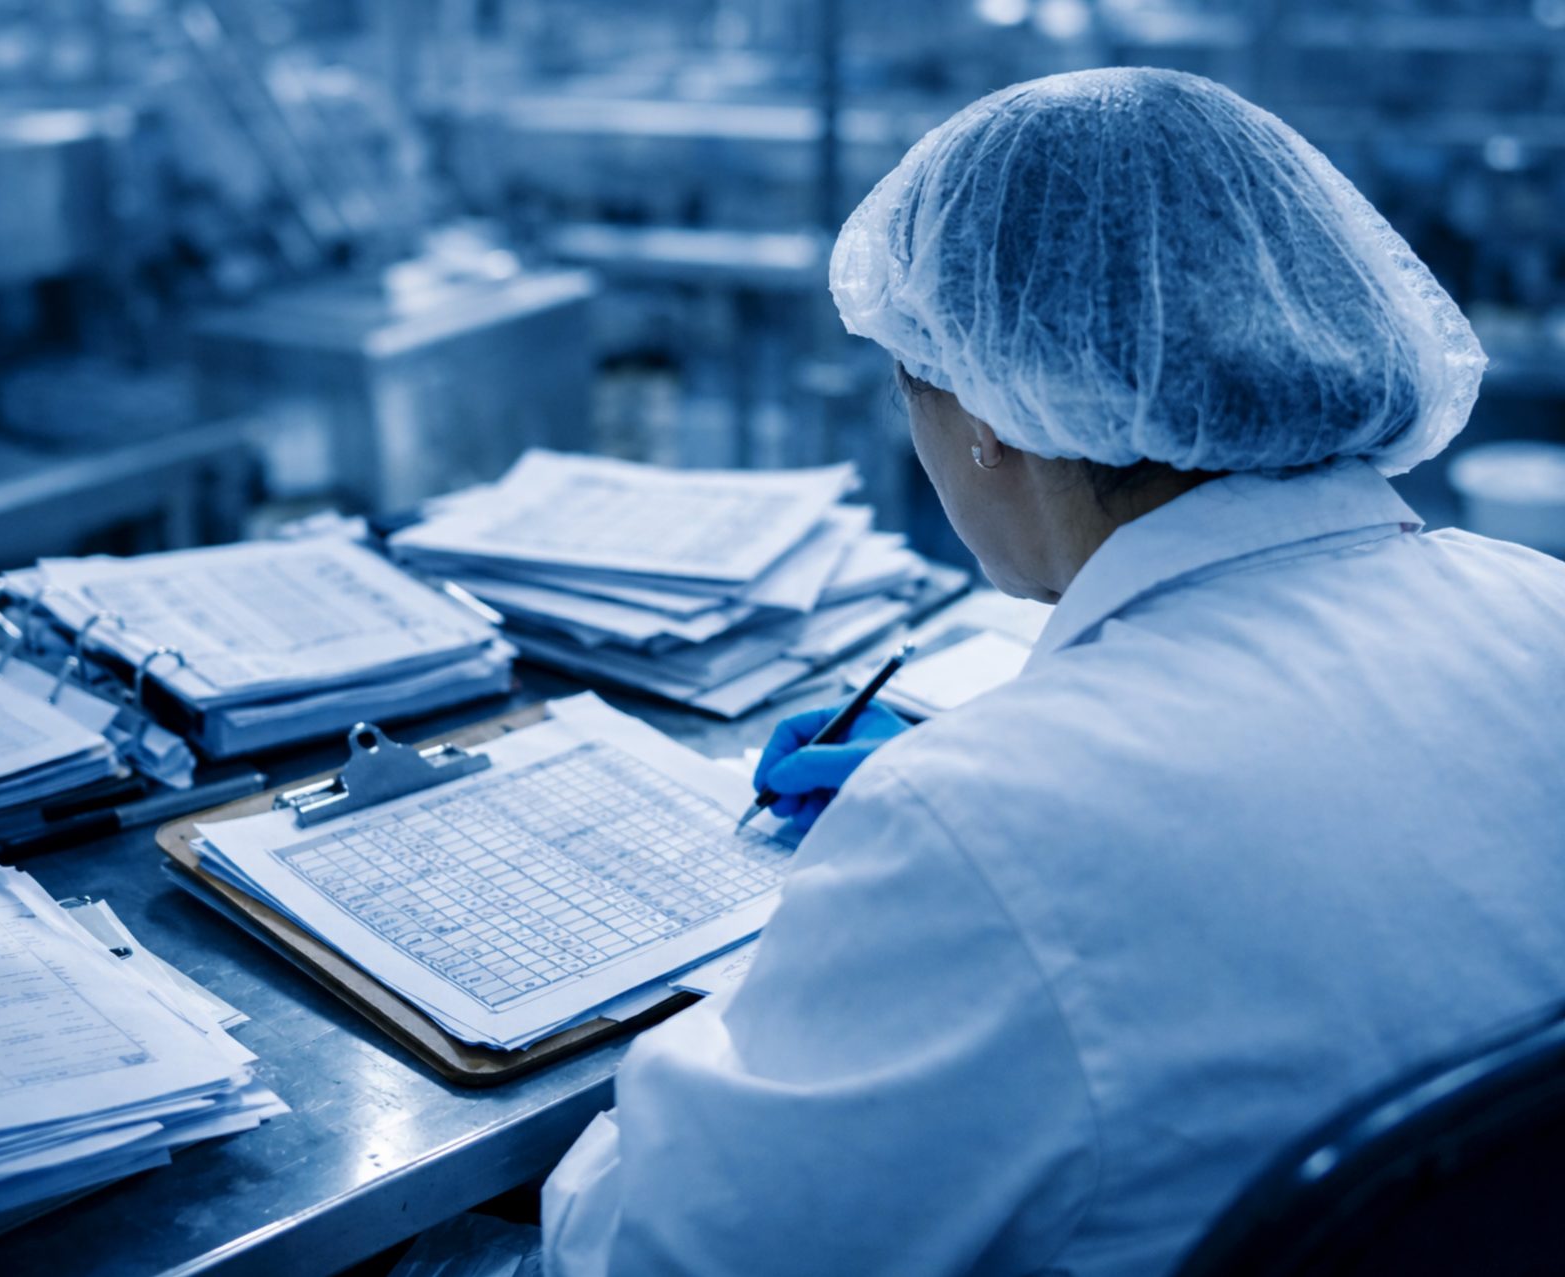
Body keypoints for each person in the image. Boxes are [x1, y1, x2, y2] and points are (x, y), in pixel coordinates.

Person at [538, 67, 1565, 1276]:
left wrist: (870, 921)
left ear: (987, 410)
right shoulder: (1540, 606)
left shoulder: (978, 827)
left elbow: (652, 1252)